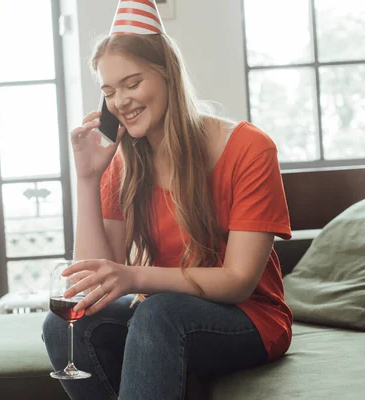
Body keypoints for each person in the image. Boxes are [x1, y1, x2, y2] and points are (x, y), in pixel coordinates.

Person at [42, 1, 293, 399]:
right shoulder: (122, 163)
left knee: (159, 313)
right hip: (161, 314)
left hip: (251, 320)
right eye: (108, 91)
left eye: (132, 83)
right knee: (63, 325)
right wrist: (88, 179)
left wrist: (135, 277)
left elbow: (238, 282)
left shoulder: (249, 148)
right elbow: (90, 281)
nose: (120, 101)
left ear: (168, 74)